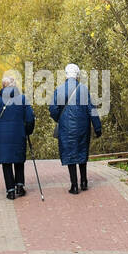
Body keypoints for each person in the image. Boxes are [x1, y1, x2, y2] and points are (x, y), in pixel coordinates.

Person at [49, 63, 101, 194]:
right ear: (77, 75)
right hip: (83, 126)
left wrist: (59, 119)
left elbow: (53, 109)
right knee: (82, 151)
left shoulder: (59, 90)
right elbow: (92, 109)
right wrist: (97, 127)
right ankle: (84, 182)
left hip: (66, 127)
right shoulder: (84, 89)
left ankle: (74, 186)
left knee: (70, 154)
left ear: (66, 74)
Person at [0, 74, 35, 200]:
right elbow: (30, 118)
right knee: (18, 160)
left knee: (6, 162)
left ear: (3, 86)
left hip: (1, 137)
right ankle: (20, 186)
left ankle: (10, 190)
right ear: (14, 86)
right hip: (18, 135)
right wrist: (27, 131)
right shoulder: (22, 99)